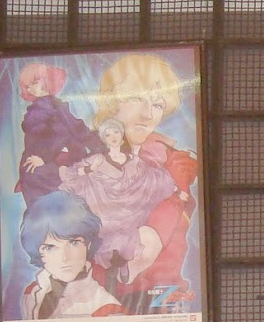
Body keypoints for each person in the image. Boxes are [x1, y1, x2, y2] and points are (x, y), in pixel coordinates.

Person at [89, 52, 201, 305]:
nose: (148, 114)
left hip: (157, 302)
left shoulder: (173, 166)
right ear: (112, 101)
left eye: (158, 104)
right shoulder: (81, 158)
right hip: (91, 302)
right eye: (136, 98)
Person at [58, 117, 181, 279]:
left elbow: (152, 178)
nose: (113, 137)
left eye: (116, 132)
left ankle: (126, 267)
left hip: (132, 213)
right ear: (104, 139)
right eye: (108, 134)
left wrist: (174, 188)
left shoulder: (134, 161)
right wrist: (91, 168)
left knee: (139, 237)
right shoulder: (97, 160)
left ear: (122, 135)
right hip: (105, 214)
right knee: (108, 236)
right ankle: (116, 264)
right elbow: (72, 175)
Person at [17, 192, 125, 322]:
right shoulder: (32, 293)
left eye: (74, 243)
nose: (64, 257)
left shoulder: (108, 310)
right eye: (50, 247)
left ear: (88, 245)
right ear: (38, 252)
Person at [14, 62, 93, 207]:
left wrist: (44, 157)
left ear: (47, 81)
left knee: (51, 207)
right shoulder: (42, 107)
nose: (31, 88)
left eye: (34, 82)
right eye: (27, 86)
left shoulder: (54, 107)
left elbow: (67, 133)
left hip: (45, 166)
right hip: (35, 165)